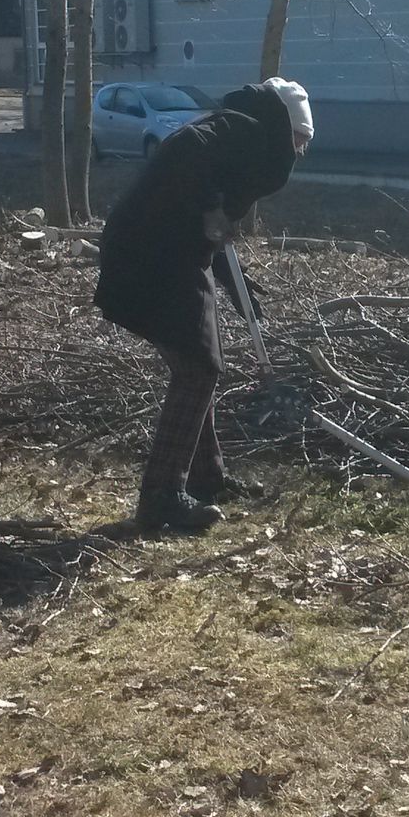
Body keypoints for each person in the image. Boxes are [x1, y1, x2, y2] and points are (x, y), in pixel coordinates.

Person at [95, 76, 313, 533]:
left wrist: (239, 286)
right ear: (285, 127)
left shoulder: (239, 131)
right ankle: (160, 498)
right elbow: (188, 151)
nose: (301, 150)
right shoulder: (243, 133)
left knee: (199, 364)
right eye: (301, 138)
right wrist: (212, 205)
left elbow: (214, 235)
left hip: (160, 250)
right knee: (199, 369)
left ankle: (205, 478)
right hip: (152, 255)